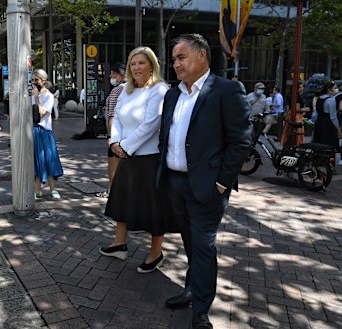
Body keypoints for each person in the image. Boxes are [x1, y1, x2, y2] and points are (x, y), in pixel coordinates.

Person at [157, 34, 251, 329]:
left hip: (208, 187)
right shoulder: (173, 94)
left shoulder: (226, 90)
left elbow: (241, 141)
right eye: (173, 59)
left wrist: (222, 183)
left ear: (201, 56)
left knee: (204, 246)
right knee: (189, 241)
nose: (175, 64)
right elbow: (167, 135)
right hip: (175, 183)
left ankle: (201, 309)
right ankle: (191, 289)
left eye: (181, 57)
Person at [99, 47, 173, 274]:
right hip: (126, 156)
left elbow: (152, 124)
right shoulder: (126, 90)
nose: (137, 68)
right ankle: (119, 243)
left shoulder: (159, 89)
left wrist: (125, 147)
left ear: (152, 65)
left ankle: (156, 252)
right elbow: (117, 119)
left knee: (153, 208)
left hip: (148, 159)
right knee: (121, 201)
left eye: (141, 63)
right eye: (133, 64)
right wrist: (115, 142)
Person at [31, 69, 63, 199]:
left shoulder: (48, 96)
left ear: (43, 80)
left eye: (36, 80)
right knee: (37, 161)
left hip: (44, 130)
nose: (34, 83)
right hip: (33, 130)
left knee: (49, 159)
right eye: (32, 80)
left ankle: (52, 189)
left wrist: (37, 98)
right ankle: (37, 190)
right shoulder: (31, 95)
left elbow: (43, 112)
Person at [96, 62, 126, 199]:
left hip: (116, 134)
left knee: (113, 164)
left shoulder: (118, 90)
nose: (110, 76)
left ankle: (112, 191)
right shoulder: (131, 88)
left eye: (113, 74)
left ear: (121, 74)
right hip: (127, 133)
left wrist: (110, 136)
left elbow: (111, 115)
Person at [312, 80, 341, 151]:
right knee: (329, 146)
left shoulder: (319, 98)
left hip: (319, 124)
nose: (335, 89)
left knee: (318, 146)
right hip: (328, 126)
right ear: (329, 89)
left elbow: (316, 113)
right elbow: (333, 117)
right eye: (334, 88)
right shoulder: (331, 100)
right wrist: (338, 129)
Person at [281, 81, 310, 145]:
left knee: (288, 133)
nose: (302, 89)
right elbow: (296, 109)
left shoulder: (290, 95)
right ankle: (297, 145)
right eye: (300, 87)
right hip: (297, 117)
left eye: (302, 87)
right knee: (298, 134)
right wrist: (305, 109)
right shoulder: (297, 96)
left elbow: (288, 108)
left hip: (290, 116)